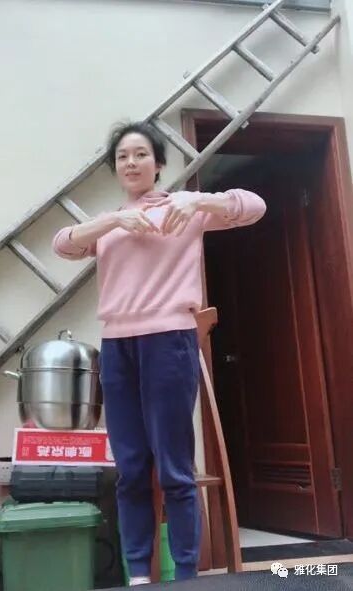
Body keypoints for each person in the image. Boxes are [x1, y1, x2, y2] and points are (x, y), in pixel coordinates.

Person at [52, 121, 266, 586]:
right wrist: (113, 221)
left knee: (174, 467)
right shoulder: (109, 224)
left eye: (141, 154)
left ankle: (185, 575)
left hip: (170, 341)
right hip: (117, 347)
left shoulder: (184, 209)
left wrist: (197, 200)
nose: (131, 162)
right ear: (115, 168)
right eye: (122, 156)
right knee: (130, 469)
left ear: (159, 164)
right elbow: (63, 244)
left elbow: (254, 206)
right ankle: (139, 576)